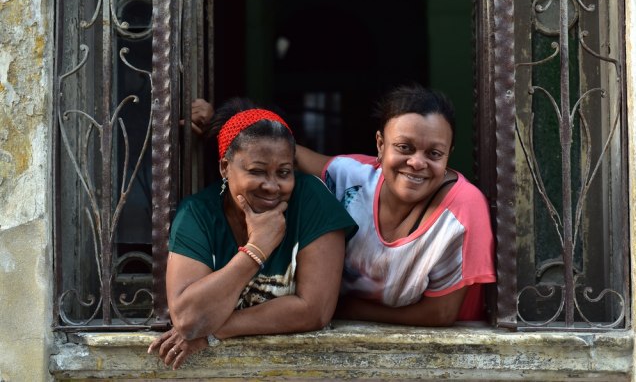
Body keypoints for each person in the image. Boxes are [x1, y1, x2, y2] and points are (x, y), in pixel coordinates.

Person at [148, 98, 357, 369]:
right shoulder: (198, 214)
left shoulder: (313, 201)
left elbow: (314, 310)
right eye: (257, 171)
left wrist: (213, 330)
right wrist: (256, 249)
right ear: (225, 167)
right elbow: (188, 319)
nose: (272, 186)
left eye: (283, 172)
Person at [295, 84, 496, 326]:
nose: (417, 162)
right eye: (404, 147)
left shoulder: (463, 209)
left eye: (434, 153)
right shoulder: (352, 178)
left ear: (448, 155)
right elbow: (286, 152)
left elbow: (441, 313)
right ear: (380, 144)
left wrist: (351, 309)